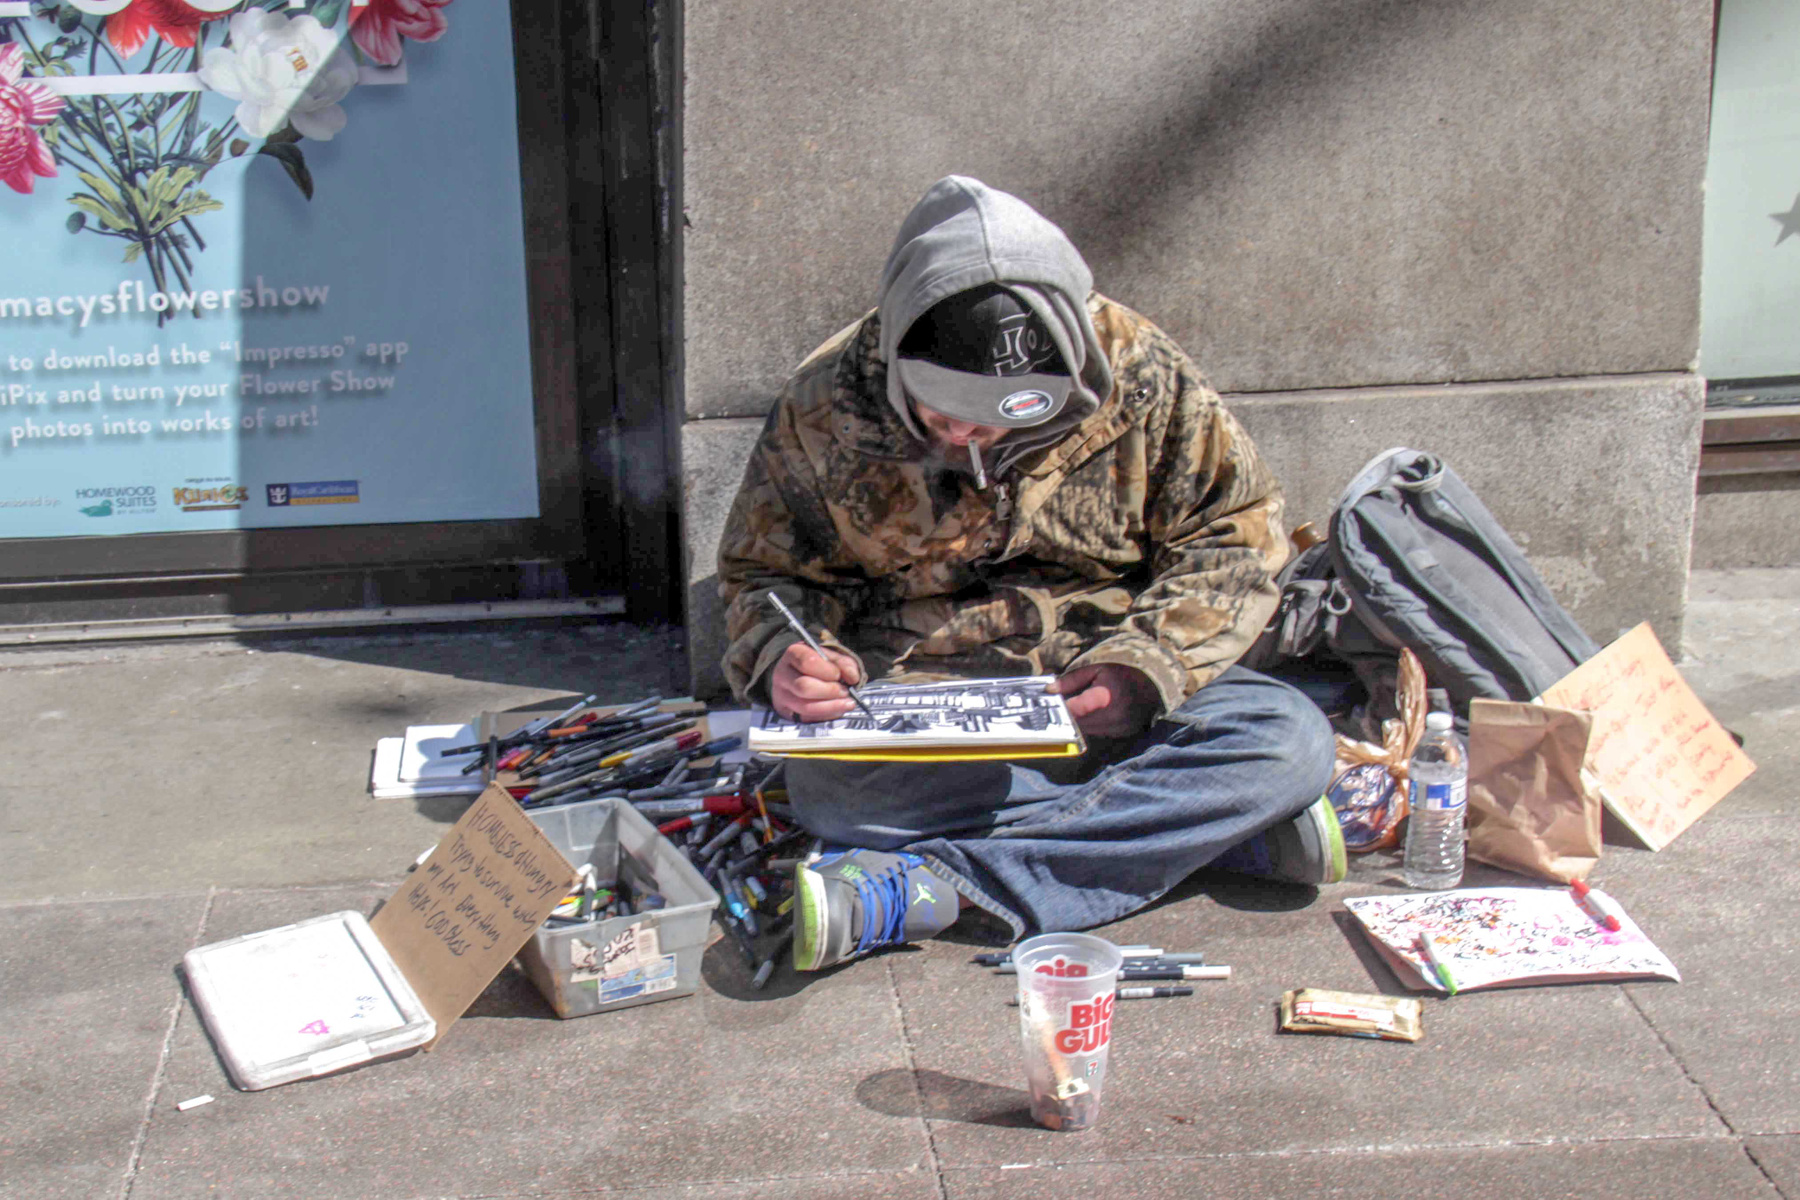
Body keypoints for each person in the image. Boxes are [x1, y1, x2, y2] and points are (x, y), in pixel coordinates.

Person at [717, 175, 1340, 971]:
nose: (970, 439)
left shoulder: (1140, 370)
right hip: (926, 695)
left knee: (1289, 740)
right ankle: (1201, 834)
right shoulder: (826, 399)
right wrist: (785, 654)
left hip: (1107, 680)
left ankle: (939, 887)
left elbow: (1235, 534)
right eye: (944, 416)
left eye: (1000, 419)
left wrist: (1148, 664)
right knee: (831, 795)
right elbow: (765, 573)